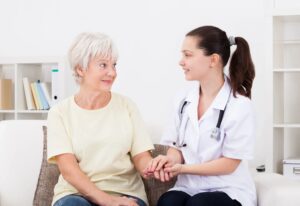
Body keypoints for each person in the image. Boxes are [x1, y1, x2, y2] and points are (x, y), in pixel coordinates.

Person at [144, 25, 257, 206]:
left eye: (188, 55)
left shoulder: (239, 105)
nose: (181, 62)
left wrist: (183, 168)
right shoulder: (183, 98)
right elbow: (176, 147)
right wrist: (168, 161)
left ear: (213, 60)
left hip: (228, 188)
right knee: (168, 202)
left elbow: (230, 163)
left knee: (199, 204)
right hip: (189, 186)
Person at [47, 32, 154, 206]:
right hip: (76, 195)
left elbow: (141, 157)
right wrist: (108, 201)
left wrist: (154, 168)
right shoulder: (59, 113)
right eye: (103, 65)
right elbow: (68, 170)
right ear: (80, 69)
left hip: (124, 193)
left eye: (114, 65)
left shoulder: (127, 106)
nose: (112, 72)